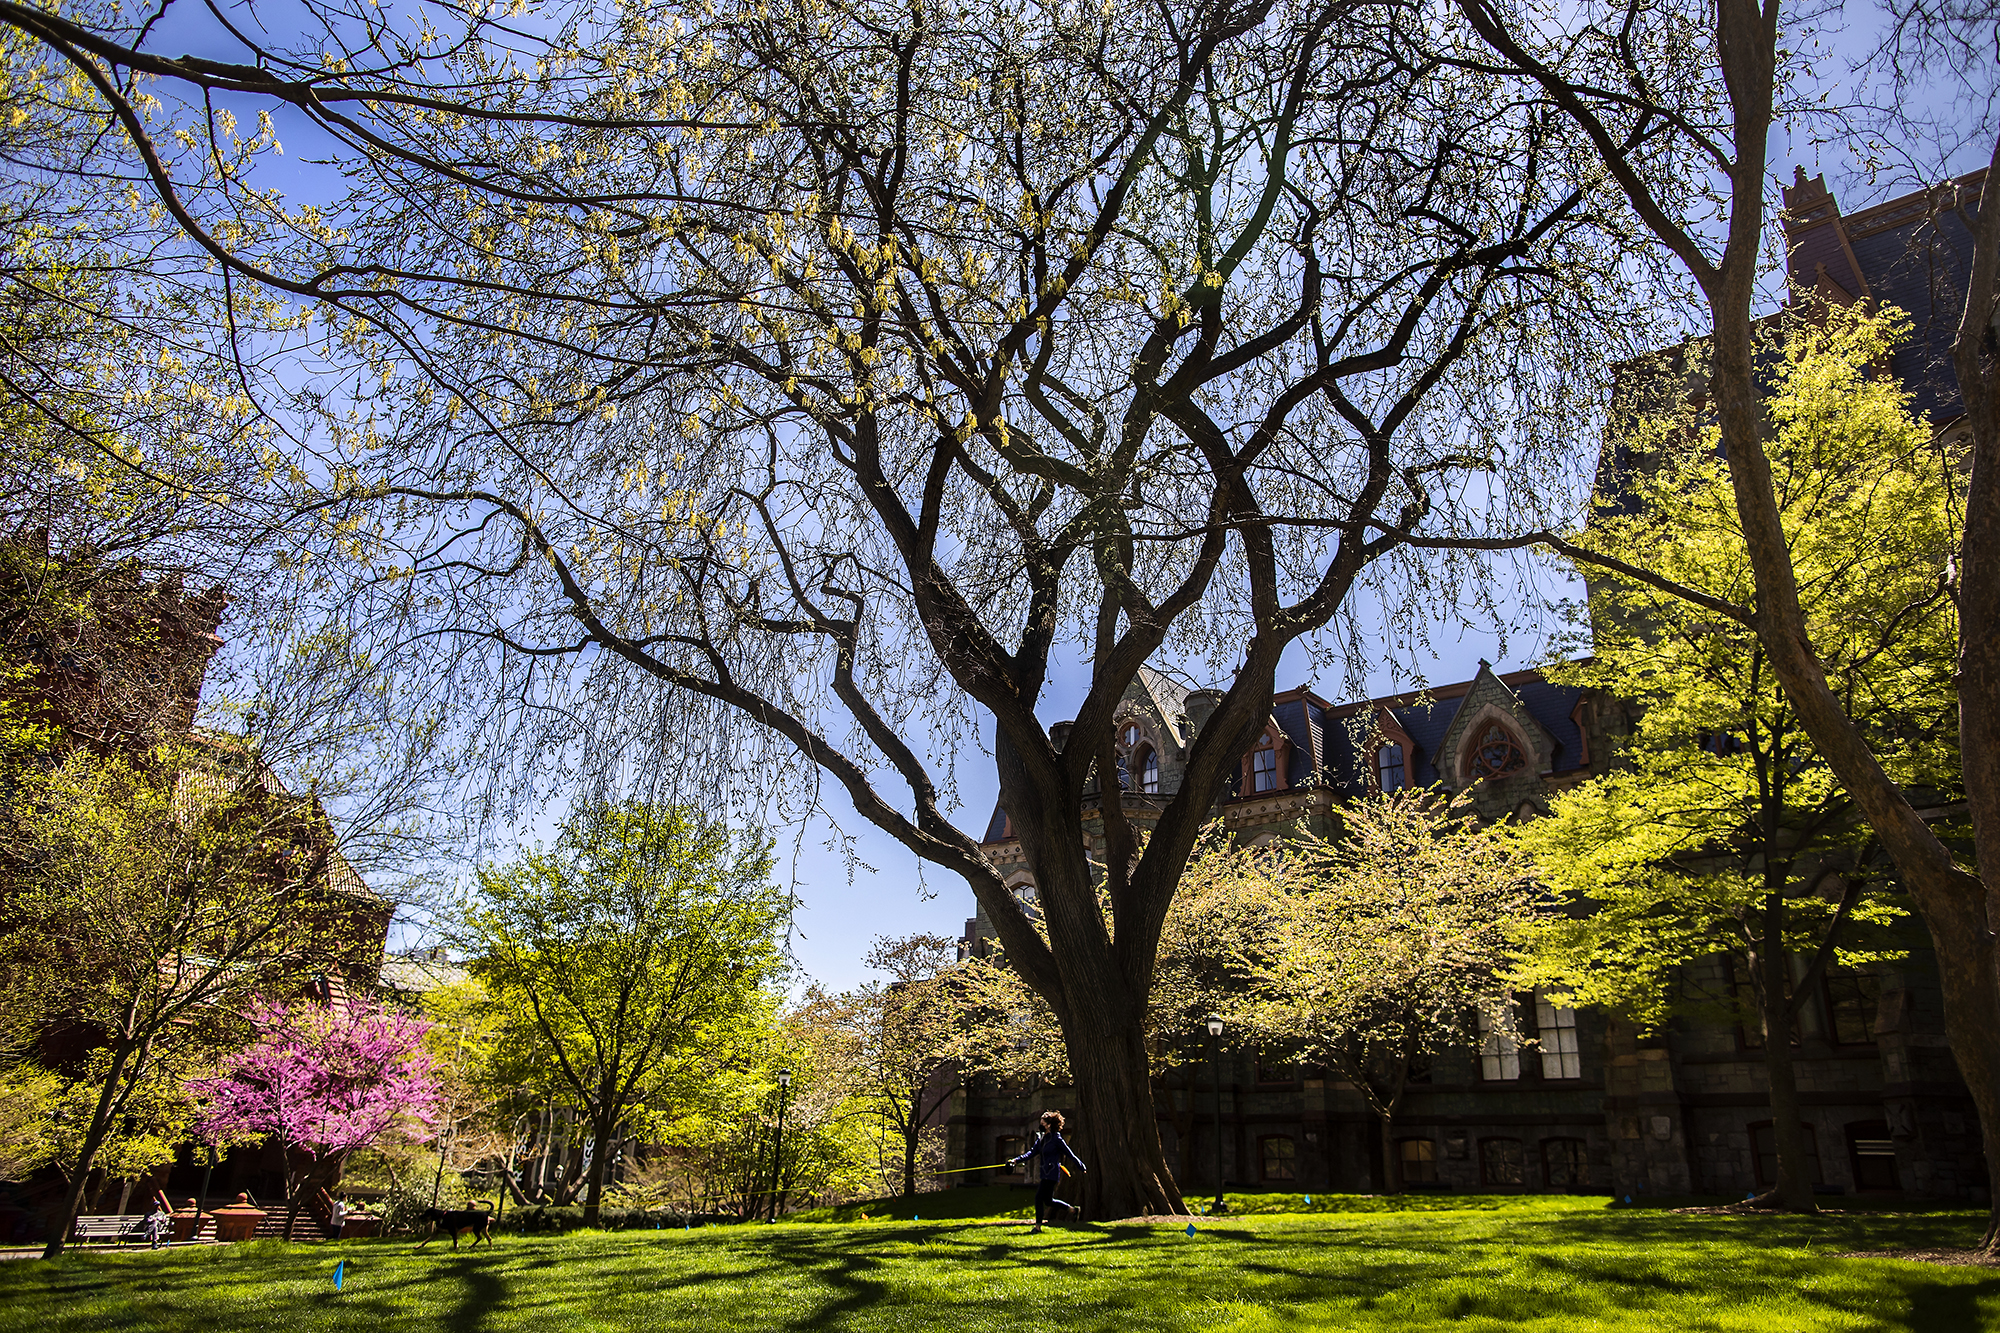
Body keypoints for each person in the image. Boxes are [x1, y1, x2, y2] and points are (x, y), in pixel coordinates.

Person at [1008, 1110, 1087, 1233]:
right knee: (1048, 1201)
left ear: (1049, 1125)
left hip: (1052, 1173)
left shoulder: (1057, 1139)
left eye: (1042, 1123)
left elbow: (1069, 1154)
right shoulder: (1042, 1139)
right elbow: (1031, 1153)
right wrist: (1016, 1160)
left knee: (1039, 1198)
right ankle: (1073, 1210)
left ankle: (1038, 1226)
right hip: (1044, 1173)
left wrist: (1081, 1166)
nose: (1040, 1125)